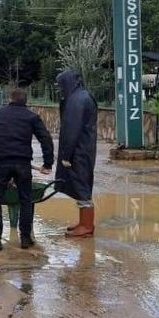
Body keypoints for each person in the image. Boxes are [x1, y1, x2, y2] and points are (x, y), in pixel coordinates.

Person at [0, 88, 54, 250]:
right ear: (25, 102)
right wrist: (47, 164)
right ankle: (25, 239)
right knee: (26, 200)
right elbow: (46, 139)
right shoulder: (32, 117)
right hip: (23, 164)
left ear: (9, 99)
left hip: (1, 163)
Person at [55, 70, 98, 238]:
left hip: (79, 151)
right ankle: (83, 223)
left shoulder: (77, 100)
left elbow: (72, 129)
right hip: (83, 149)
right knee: (81, 185)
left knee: (82, 186)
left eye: (61, 85)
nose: (60, 89)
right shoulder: (80, 96)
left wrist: (66, 155)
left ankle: (87, 226)